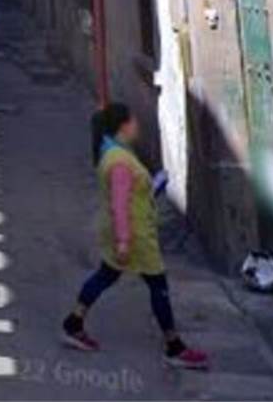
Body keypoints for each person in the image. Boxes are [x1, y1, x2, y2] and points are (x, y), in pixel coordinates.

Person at [60, 103, 209, 370]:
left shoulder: (113, 154)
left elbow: (127, 196)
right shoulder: (120, 161)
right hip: (135, 234)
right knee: (158, 285)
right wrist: (124, 241)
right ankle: (174, 346)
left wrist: (150, 189)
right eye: (133, 121)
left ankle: (74, 322)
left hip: (122, 229)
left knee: (106, 275)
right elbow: (121, 204)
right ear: (123, 126)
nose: (137, 126)